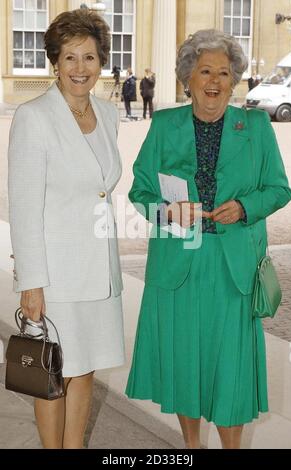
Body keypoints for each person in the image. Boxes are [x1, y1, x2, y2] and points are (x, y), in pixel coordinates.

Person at [125, 29, 291, 449]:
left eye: (224, 72)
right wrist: (166, 211)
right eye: (205, 71)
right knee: (186, 364)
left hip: (231, 265)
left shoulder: (254, 126)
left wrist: (244, 207)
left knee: (229, 367)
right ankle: (191, 447)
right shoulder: (164, 124)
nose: (214, 81)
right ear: (188, 78)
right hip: (179, 265)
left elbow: (279, 188)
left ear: (234, 80)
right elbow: (139, 191)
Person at [8, 9, 125, 449]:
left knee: (86, 365)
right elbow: (23, 206)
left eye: (90, 58)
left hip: (100, 269)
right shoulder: (34, 117)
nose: (81, 69)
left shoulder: (109, 114)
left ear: (101, 62)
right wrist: (31, 283)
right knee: (53, 370)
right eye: (70, 58)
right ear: (55, 62)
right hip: (56, 275)